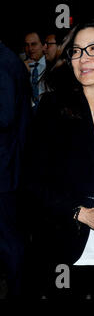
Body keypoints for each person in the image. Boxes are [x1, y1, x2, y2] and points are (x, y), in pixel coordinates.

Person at [25, 19, 94, 299]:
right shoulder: (54, 110)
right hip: (67, 251)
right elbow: (32, 183)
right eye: (76, 51)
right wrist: (81, 213)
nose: (83, 58)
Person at [0, 40, 32, 298]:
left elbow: (5, 114)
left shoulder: (3, 62)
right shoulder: (9, 59)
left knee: (10, 243)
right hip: (11, 167)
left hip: (5, 171)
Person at [23, 30, 46, 111]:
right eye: (27, 45)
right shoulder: (22, 67)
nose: (30, 49)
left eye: (34, 44)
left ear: (43, 46)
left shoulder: (51, 66)